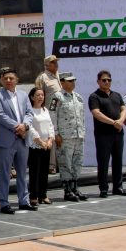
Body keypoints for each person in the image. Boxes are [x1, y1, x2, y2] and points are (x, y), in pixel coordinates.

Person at [0, 68, 37, 214]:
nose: (8, 80)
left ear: (17, 79)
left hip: (22, 139)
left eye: (11, 78)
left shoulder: (23, 95)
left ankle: (24, 201)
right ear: (2, 80)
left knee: (22, 172)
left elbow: (30, 113)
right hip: (6, 140)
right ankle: (4, 203)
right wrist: (18, 127)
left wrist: (25, 126)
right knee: (5, 173)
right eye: (6, 78)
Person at [89, 70, 126, 198]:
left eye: (109, 80)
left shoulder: (117, 95)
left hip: (118, 133)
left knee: (118, 161)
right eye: (104, 80)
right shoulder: (94, 96)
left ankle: (118, 187)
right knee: (104, 162)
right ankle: (104, 189)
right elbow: (96, 113)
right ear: (98, 81)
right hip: (103, 135)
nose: (107, 82)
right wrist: (113, 123)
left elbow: (124, 109)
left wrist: (121, 121)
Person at [49, 72, 87, 202]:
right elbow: (52, 116)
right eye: (70, 81)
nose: (73, 83)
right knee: (65, 163)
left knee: (77, 163)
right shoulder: (57, 97)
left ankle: (75, 188)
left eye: (73, 81)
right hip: (65, 137)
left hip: (78, 136)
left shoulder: (78, 97)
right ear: (62, 82)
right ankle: (67, 191)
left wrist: (83, 132)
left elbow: (82, 117)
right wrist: (56, 134)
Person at [27, 87, 54, 206]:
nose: (40, 97)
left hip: (46, 146)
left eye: (42, 95)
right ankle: (33, 196)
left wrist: (50, 140)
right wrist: (40, 141)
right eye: (38, 95)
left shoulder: (45, 110)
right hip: (35, 146)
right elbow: (31, 128)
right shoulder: (30, 111)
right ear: (32, 97)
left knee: (44, 171)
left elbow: (50, 126)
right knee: (35, 172)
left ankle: (43, 195)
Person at [35, 55, 61, 175]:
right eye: (53, 62)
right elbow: (39, 95)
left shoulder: (59, 76)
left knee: (60, 137)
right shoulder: (42, 78)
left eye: (56, 62)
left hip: (61, 112)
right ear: (46, 65)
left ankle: (60, 163)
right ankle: (51, 165)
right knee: (51, 137)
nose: (56, 64)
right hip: (49, 112)